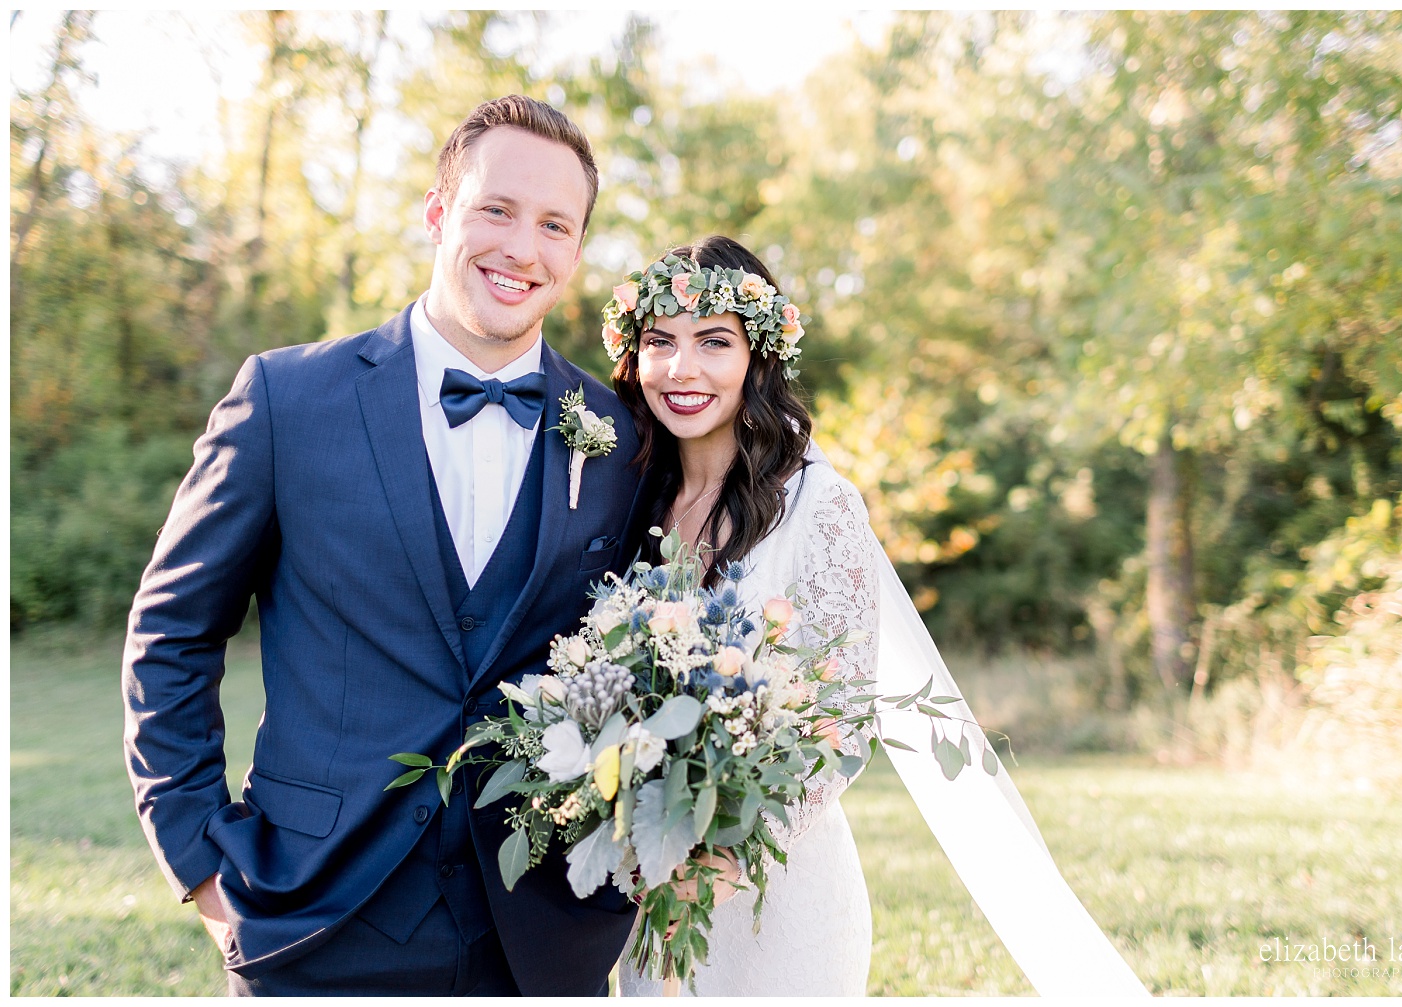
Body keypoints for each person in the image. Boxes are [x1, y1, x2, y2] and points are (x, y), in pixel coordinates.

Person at [122, 95, 644, 996]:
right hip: (312, 917)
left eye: (555, 223)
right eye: (497, 209)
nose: (523, 247)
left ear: (577, 251)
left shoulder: (619, 433)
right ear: (438, 214)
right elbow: (170, 633)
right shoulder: (287, 400)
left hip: (540, 936)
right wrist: (206, 870)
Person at [602, 236, 1152, 997]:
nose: (682, 368)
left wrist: (731, 858)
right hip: (646, 893)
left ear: (759, 357)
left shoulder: (820, 507)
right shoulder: (623, 503)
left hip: (777, 896)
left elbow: (841, 720)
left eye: (714, 342)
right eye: (660, 340)